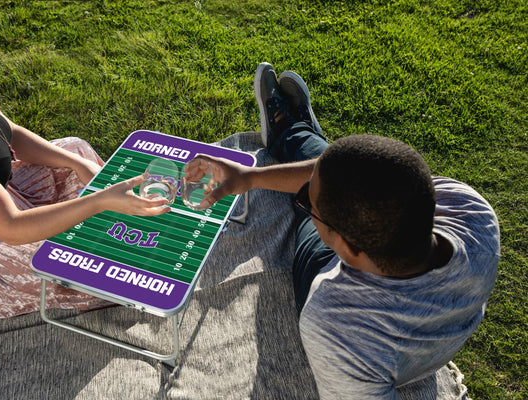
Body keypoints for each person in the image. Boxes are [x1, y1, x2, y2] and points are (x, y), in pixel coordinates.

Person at [189, 62, 500, 398]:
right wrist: (249, 178)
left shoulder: (336, 322)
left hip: (328, 270)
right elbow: (368, 179)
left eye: (310, 205)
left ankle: (291, 132)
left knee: (321, 198)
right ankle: (294, 133)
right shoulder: (472, 210)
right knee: (344, 174)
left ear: (348, 247)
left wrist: (292, 195)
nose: (304, 200)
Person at [0, 0, 169, 318]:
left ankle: (118, 218)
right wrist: (99, 202)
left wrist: (78, 165)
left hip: (1, 197)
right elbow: (11, 227)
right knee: (96, 267)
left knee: (74, 149)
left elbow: (7, 132)